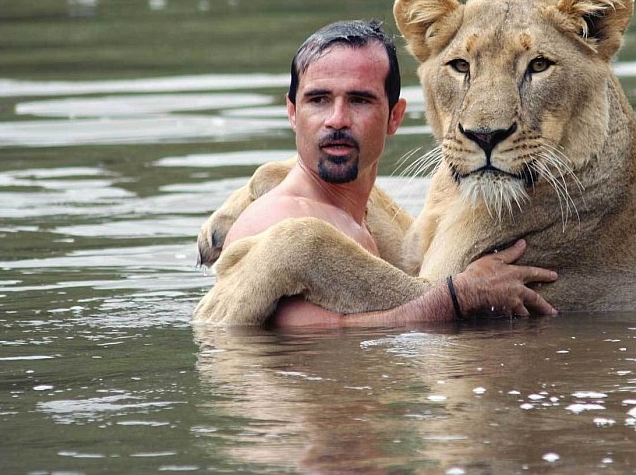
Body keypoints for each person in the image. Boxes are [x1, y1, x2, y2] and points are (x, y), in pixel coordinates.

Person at [220, 19, 557, 327]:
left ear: (395, 117)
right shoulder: (274, 221)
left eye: (359, 101)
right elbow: (316, 338)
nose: (337, 119)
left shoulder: (358, 216)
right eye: (319, 100)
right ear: (292, 113)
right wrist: (460, 296)